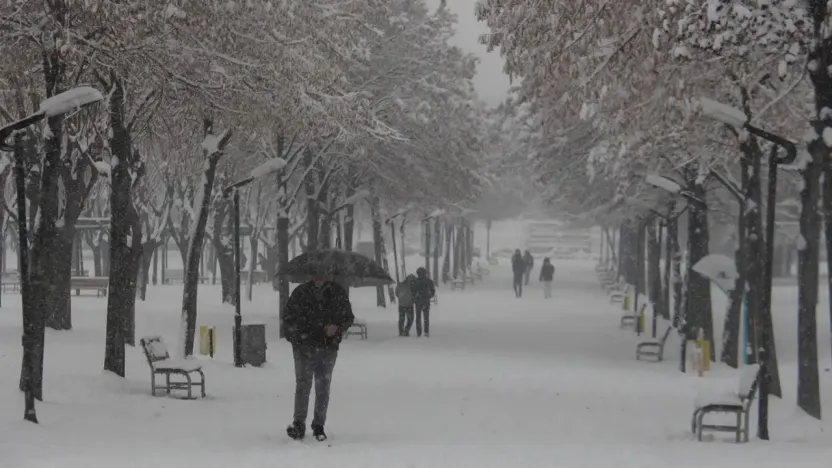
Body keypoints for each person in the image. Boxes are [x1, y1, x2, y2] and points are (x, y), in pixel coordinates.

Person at [283, 275, 354, 442]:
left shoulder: (337, 292)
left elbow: (348, 317)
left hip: (327, 347)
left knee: (323, 386)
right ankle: (299, 423)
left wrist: (337, 328)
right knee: (303, 385)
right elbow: (288, 320)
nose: (318, 276)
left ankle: (319, 425)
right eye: (315, 272)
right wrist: (297, 338)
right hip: (304, 348)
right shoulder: (300, 293)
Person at [410, 267, 435, 337]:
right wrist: (429, 296)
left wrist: (414, 297)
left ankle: (419, 332)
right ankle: (426, 331)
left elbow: (412, 291)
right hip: (426, 300)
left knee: (418, 317)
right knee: (426, 317)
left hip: (418, 301)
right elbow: (433, 291)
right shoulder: (429, 281)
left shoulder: (415, 281)